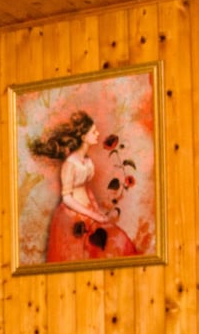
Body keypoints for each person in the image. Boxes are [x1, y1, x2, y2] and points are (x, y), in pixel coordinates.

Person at [27, 111, 139, 262]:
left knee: (116, 241)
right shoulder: (70, 164)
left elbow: (85, 189)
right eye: (93, 132)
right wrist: (93, 215)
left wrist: (96, 210)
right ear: (84, 137)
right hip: (71, 215)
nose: (98, 134)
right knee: (77, 254)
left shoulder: (87, 161)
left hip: (88, 210)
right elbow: (67, 198)